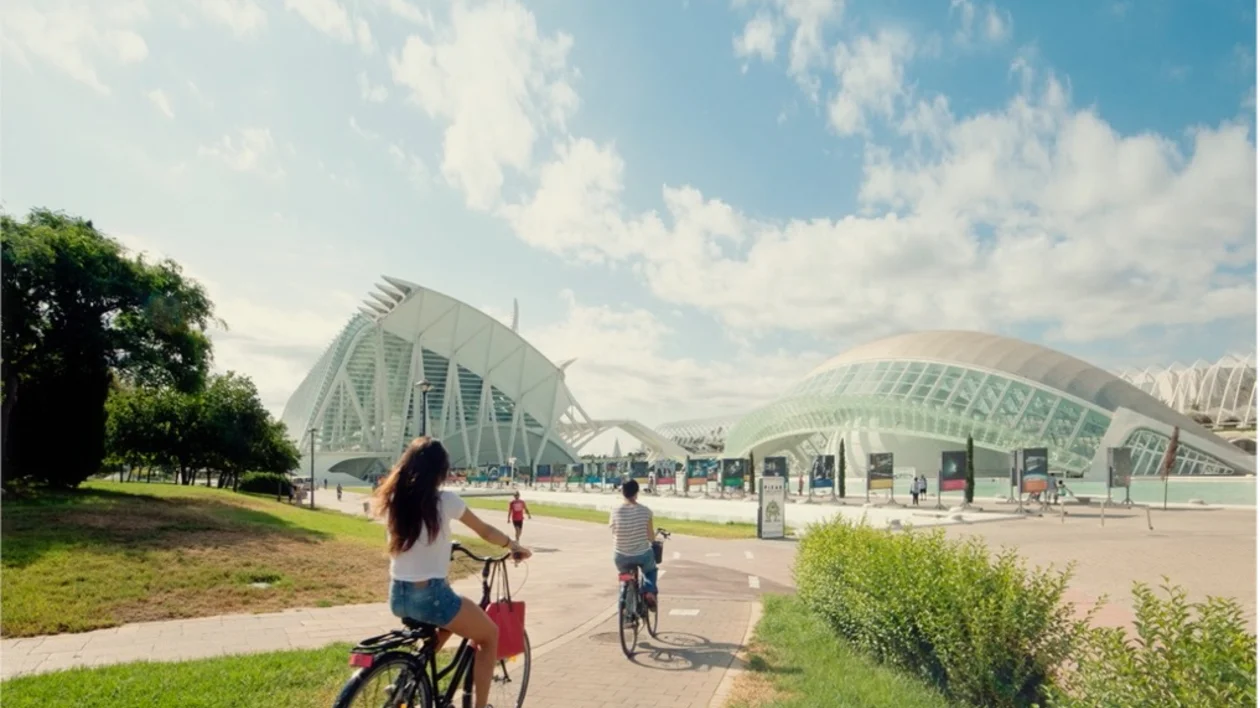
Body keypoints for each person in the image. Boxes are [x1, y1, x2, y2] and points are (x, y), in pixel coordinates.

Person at [372, 437, 531, 708]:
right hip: (431, 596)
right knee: (489, 635)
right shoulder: (445, 501)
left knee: (447, 622)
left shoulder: (395, 499)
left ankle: (406, 680)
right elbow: (485, 531)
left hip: (398, 596)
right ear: (440, 471)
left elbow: (417, 540)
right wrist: (513, 545)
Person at [610, 479, 658, 611]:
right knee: (650, 571)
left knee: (625, 575)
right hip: (642, 554)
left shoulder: (615, 510)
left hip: (620, 555)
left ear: (622, 492)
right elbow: (650, 536)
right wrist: (653, 540)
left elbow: (614, 530)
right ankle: (649, 591)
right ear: (637, 492)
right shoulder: (645, 511)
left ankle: (626, 603)